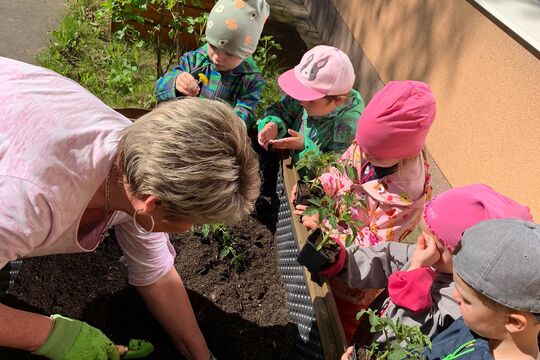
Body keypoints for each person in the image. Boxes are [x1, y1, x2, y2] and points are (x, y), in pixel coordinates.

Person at [0, 57, 260, 360]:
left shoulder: (141, 156)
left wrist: (200, 355)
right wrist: (52, 336)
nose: (191, 229)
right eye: (195, 221)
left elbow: (155, 272)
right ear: (152, 204)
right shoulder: (31, 204)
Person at [295, 80, 436, 340]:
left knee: (341, 322)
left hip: (353, 277)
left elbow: (375, 249)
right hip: (331, 243)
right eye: (362, 147)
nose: (365, 156)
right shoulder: (369, 147)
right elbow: (341, 172)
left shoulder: (404, 200)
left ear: (405, 152)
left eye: (375, 155)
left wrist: (324, 230)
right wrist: (318, 189)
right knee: (317, 302)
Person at [324, 184, 532, 349]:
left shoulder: (461, 300)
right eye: (424, 235)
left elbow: (411, 331)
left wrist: (416, 270)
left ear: (465, 258)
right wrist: (344, 261)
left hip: (385, 349)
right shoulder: (438, 261)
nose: (424, 245)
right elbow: (388, 257)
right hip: (368, 336)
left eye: (437, 245)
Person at [426, 218, 540, 359]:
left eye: (466, 300)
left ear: (513, 322)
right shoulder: (481, 325)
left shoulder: (479, 325)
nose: (455, 296)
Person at [154, 0, 270, 130]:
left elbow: (246, 112)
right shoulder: (195, 61)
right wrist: (175, 82)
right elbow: (159, 89)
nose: (217, 57)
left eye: (229, 53)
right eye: (213, 46)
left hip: (218, 136)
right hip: (181, 127)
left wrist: (232, 124)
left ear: (247, 53)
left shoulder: (250, 79)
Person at [257, 45, 365, 164]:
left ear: (338, 100)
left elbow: (333, 171)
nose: (301, 101)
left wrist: (304, 147)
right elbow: (283, 109)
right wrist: (273, 124)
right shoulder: (308, 98)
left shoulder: (348, 130)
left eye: (311, 99)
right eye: (300, 92)